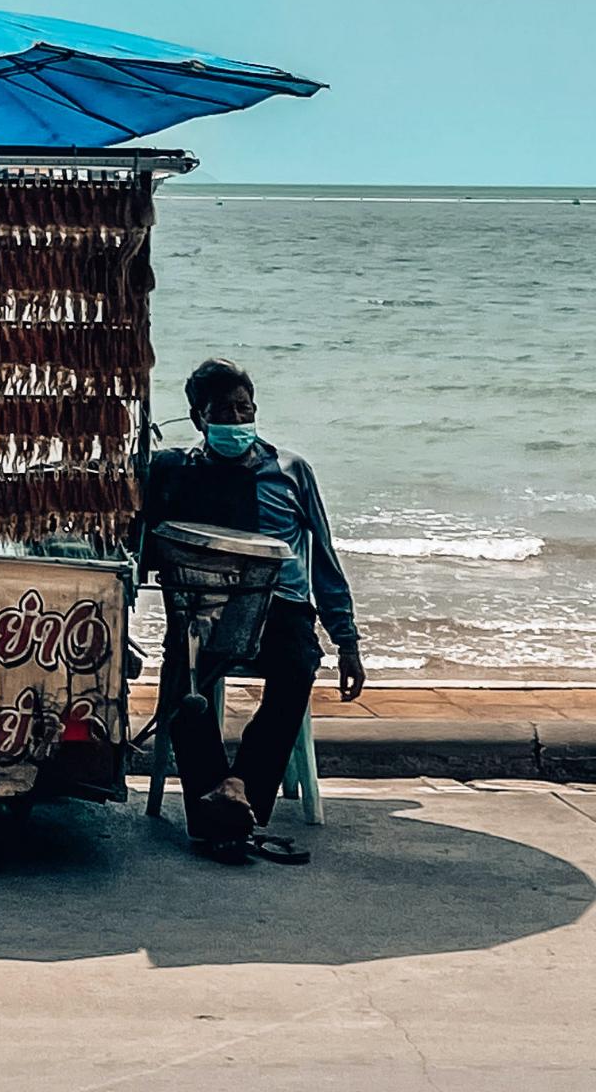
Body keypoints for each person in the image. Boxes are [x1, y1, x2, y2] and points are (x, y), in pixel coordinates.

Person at [142, 358, 365, 849]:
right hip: (204, 609)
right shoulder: (175, 471)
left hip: (281, 609)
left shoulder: (290, 471)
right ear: (199, 418)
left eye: (244, 409)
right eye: (223, 411)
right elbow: (146, 547)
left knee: (298, 665)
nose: (236, 420)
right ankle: (223, 808)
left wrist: (346, 640)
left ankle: (238, 789)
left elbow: (324, 558)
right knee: (183, 684)